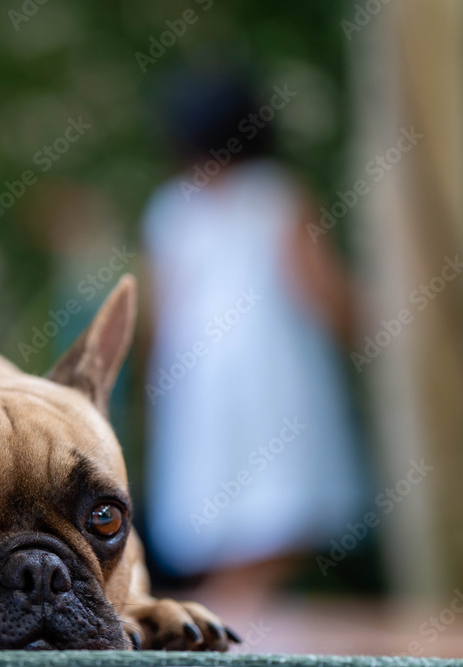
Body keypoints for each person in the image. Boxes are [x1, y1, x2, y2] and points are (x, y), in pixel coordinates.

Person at [141, 64, 366, 604]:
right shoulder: (276, 195)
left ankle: (231, 602)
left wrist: (155, 386)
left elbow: (160, 312)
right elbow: (316, 284)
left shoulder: (171, 207)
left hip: (198, 369)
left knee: (226, 496)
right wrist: (370, 321)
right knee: (287, 497)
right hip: (274, 366)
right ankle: (231, 604)